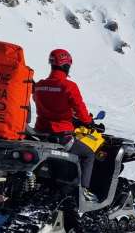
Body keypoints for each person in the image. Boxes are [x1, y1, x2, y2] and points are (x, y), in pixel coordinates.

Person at [33, 49, 98, 201]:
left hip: (41, 134)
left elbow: (41, 103)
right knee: (88, 154)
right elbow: (80, 109)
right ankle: (83, 190)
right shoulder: (69, 86)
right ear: (66, 65)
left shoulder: (40, 85)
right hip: (61, 136)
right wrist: (89, 122)